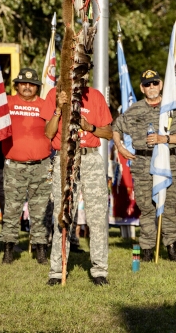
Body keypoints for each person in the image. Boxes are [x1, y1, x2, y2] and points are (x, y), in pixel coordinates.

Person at [113, 69, 176, 263]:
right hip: (142, 165)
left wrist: (164, 138)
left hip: (170, 164)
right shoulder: (134, 110)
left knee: (169, 206)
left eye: (154, 83)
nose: (151, 87)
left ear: (161, 84)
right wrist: (120, 147)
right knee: (147, 207)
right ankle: (147, 250)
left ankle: (172, 248)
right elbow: (115, 128)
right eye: (147, 84)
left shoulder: (173, 108)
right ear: (142, 88)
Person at [42, 84, 113, 286]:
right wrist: (58, 110)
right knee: (63, 214)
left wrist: (89, 127)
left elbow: (108, 133)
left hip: (90, 159)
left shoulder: (95, 95)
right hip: (65, 157)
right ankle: (56, 271)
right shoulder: (55, 93)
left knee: (97, 216)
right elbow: (48, 133)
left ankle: (99, 271)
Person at [0, 68, 53, 265]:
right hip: (14, 166)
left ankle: (40, 251)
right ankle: (8, 250)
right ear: (16, 85)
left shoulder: (45, 105)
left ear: (37, 87)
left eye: (31, 84)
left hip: (42, 165)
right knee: (12, 210)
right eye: (23, 83)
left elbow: (53, 129)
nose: (27, 87)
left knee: (39, 211)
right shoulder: (6, 103)